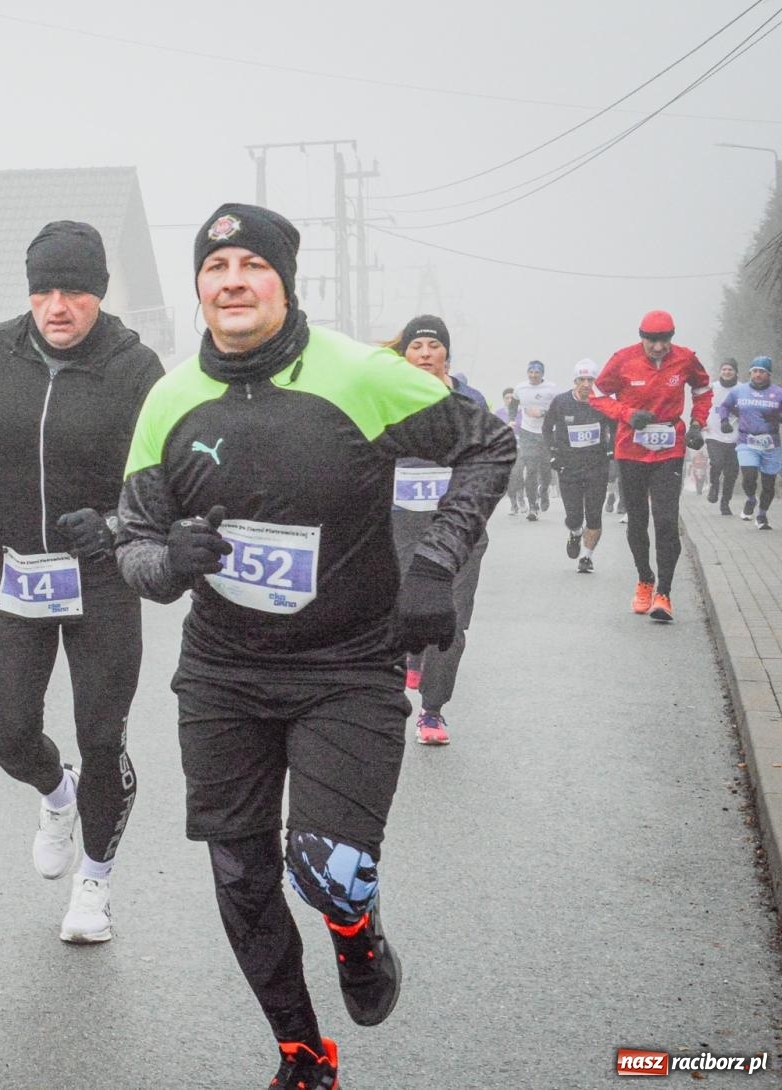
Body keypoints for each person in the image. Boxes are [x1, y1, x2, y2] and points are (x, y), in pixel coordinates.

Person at [116, 204, 514, 1089]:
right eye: (215, 269)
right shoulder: (171, 398)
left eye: (252, 265)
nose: (231, 282)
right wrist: (168, 563)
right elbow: (132, 543)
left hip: (346, 666)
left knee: (326, 867)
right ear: (198, 288)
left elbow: (488, 447)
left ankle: (354, 931)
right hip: (223, 672)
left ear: (285, 282)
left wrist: (437, 561)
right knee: (241, 874)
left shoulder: (363, 376)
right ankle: (301, 1050)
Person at [0, 221, 163, 943]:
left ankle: (94, 885)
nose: (57, 306)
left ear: (98, 292)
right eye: (43, 290)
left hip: (100, 579)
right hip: (12, 570)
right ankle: (53, 790)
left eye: (73, 290)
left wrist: (111, 522)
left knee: (101, 736)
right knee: (9, 735)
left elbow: (159, 477)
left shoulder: (138, 370)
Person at [385, 315, 491, 745]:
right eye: (417, 346)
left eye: (434, 345)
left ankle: (432, 711)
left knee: (452, 620)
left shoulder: (470, 399)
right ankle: (413, 653)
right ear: (404, 353)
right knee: (405, 606)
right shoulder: (386, 396)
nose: (426, 353)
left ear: (447, 353)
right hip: (401, 524)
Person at [589, 309, 711, 622]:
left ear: (672, 337)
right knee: (638, 519)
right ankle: (645, 579)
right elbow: (598, 395)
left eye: (664, 340)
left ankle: (664, 594)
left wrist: (698, 423)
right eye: (652, 340)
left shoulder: (685, 359)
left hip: (669, 448)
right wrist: (626, 414)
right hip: (631, 450)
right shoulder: (623, 359)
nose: (658, 347)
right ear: (641, 337)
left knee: (667, 520)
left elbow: (702, 389)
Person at [542, 359, 616, 573]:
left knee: (594, 515)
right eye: (581, 380)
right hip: (569, 466)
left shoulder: (602, 402)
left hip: (596, 465)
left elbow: (616, 428)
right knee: (574, 516)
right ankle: (575, 533)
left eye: (590, 379)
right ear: (575, 381)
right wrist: (553, 454)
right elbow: (547, 429)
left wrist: (613, 455)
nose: (586, 384)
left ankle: (586, 557)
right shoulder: (561, 402)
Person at [715, 355, 782, 529]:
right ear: (750, 373)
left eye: (762, 372)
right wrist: (724, 421)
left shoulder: (778, 393)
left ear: (769, 374)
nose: (758, 375)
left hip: (770, 443)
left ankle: (762, 515)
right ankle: (751, 498)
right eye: (755, 371)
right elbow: (724, 406)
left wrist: (778, 417)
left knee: (768, 484)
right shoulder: (740, 390)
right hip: (747, 440)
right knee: (749, 476)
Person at [513, 360, 560, 520]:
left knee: (546, 469)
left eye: (537, 373)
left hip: (547, 432)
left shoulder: (551, 389)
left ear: (542, 374)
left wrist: (542, 412)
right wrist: (513, 418)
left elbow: (558, 410)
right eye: (531, 372)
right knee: (531, 470)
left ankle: (544, 489)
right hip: (528, 432)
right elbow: (513, 403)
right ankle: (532, 507)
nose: (533, 375)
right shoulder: (520, 388)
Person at [705, 358, 741, 515]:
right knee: (717, 462)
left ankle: (725, 502)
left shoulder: (743, 389)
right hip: (714, 433)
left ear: (736, 372)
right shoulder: (712, 387)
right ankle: (714, 485)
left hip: (736, 435)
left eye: (730, 370)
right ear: (720, 372)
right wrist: (700, 422)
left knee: (731, 472)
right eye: (724, 369)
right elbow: (701, 404)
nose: (727, 372)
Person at [493, 387, 524, 515]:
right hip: (505, 448)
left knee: (518, 473)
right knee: (510, 477)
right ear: (503, 399)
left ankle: (521, 500)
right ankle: (513, 503)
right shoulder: (498, 413)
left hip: (521, 447)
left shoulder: (522, 412)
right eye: (507, 398)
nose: (509, 400)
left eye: (512, 398)